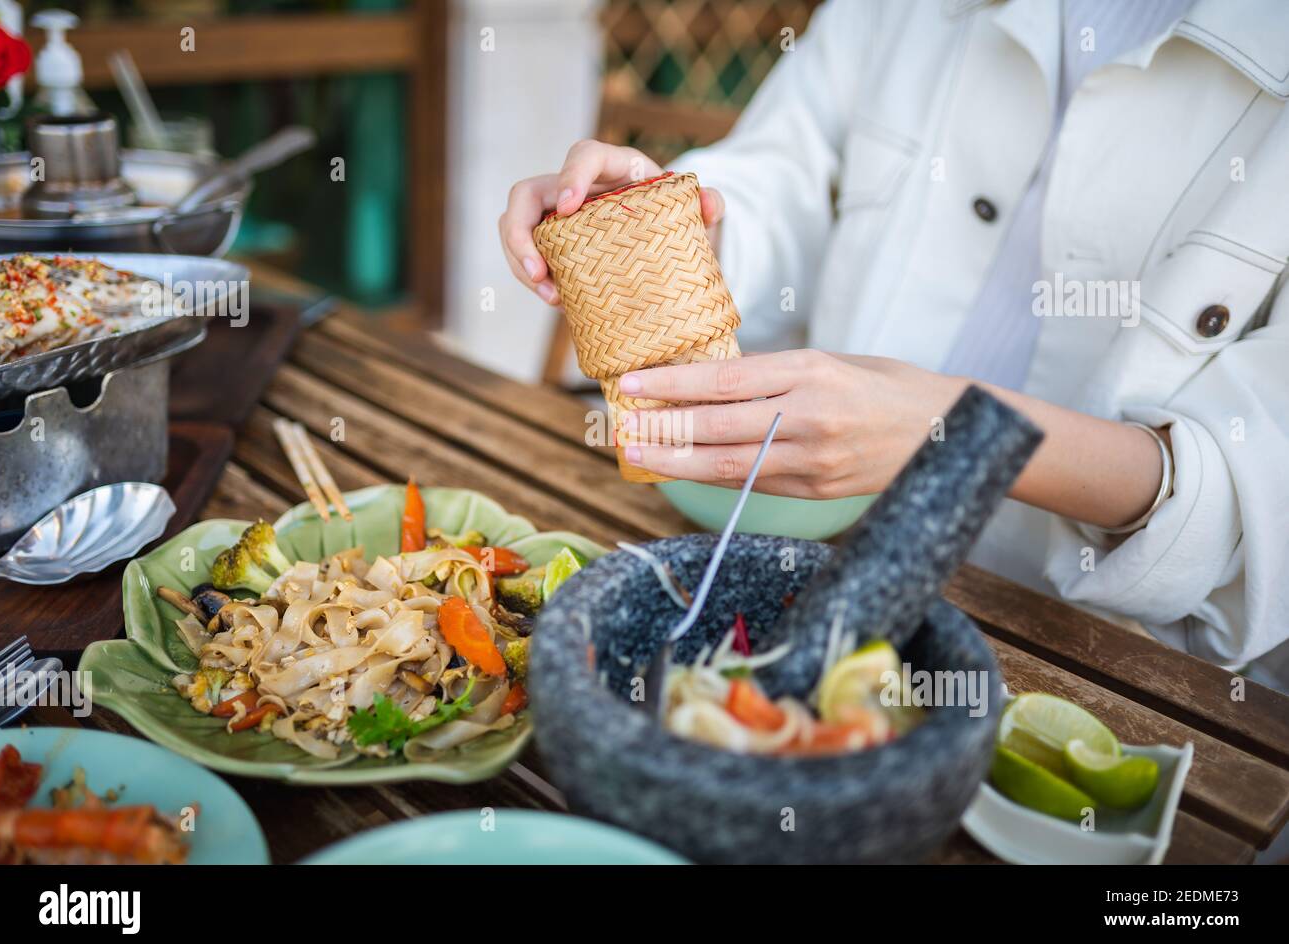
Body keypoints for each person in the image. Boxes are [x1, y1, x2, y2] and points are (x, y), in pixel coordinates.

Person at [499, 0, 1289, 686]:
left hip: (1115, 662)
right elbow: (781, 180)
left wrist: (950, 431)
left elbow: (1259, 491)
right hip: (816, 567)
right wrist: (643, 237)